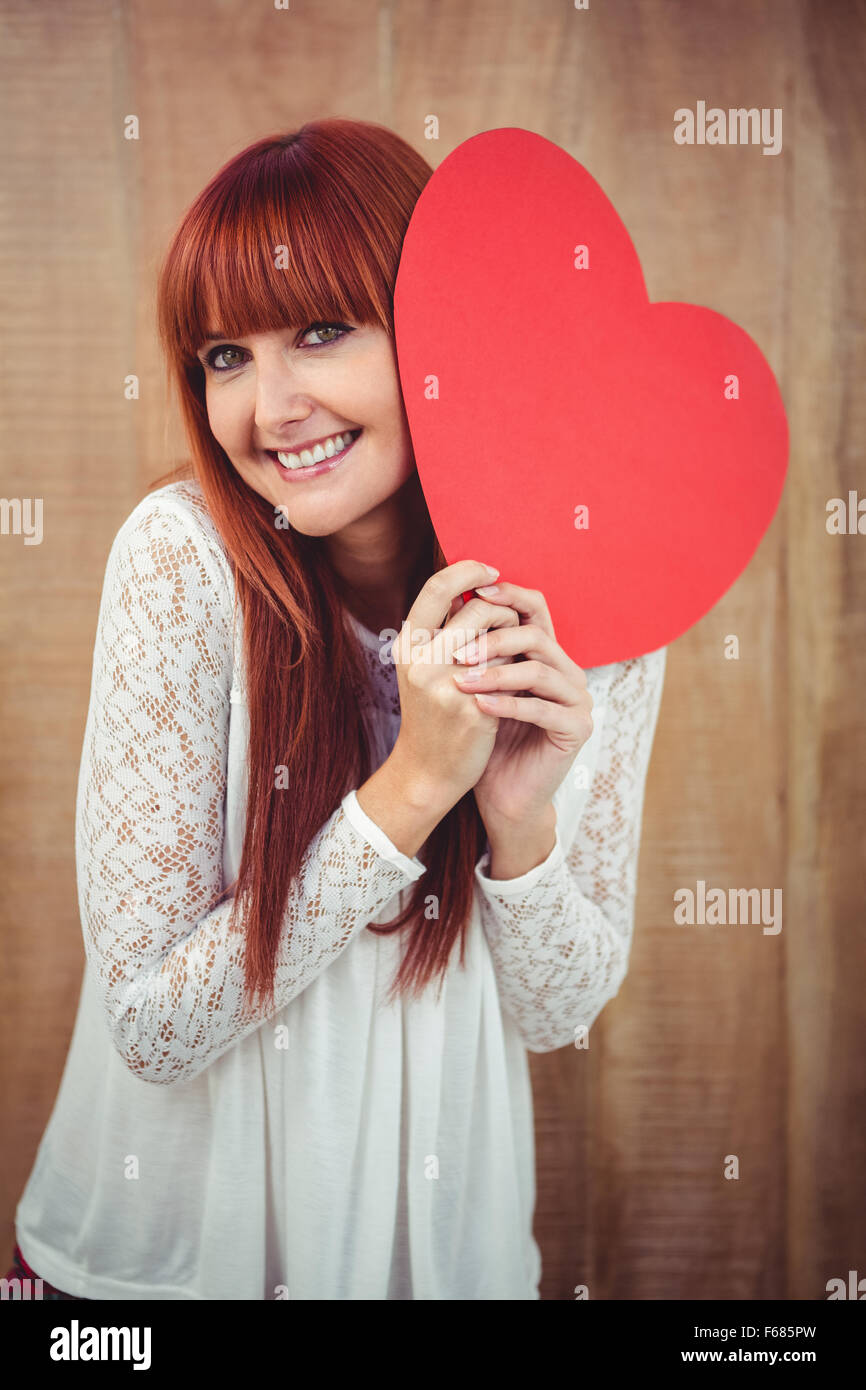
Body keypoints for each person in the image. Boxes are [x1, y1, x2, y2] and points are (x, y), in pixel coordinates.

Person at [9, 117, 666, 1300]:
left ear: (434, 332)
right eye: (225, 356)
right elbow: (153, 1027)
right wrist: (414, 787)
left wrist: (517, 823)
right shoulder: (183, 564)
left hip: (433, 1258)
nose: (271, 408)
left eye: (319, 333)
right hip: (167, 1266)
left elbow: (554, 1009)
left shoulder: (578, 596)